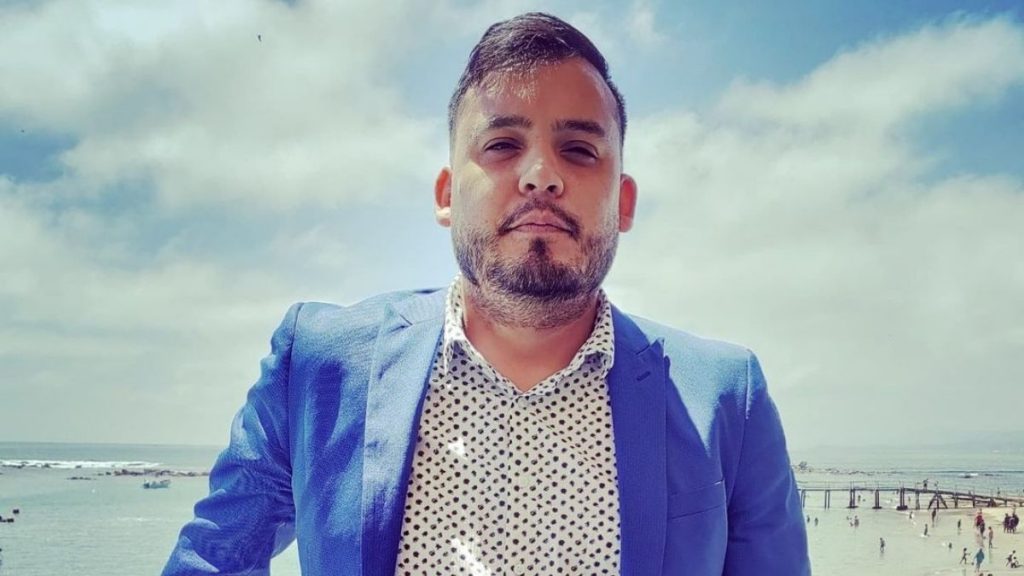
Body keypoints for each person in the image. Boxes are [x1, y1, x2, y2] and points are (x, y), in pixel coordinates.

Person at [160, 12, 810, 576]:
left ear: (624, 201)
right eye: (502, 144)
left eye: (580, 150)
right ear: (447, 194)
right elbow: (213, 559)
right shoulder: (319, 365)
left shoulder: (726, 398)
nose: (541, 175)